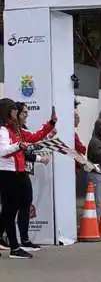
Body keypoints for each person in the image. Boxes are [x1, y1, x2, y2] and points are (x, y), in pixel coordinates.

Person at [0, 98, 56, 259]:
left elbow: (34, 136)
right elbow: (2, 151)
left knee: (14, 207)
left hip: (17, 172)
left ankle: (15, 245)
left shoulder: (17, 130)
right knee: (10, 210)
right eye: (14, 109)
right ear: (7, 112)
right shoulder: (3, 130)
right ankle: (15, 247)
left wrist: (50, 124)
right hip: (7, 172)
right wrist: (18, 146)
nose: (16, 112)